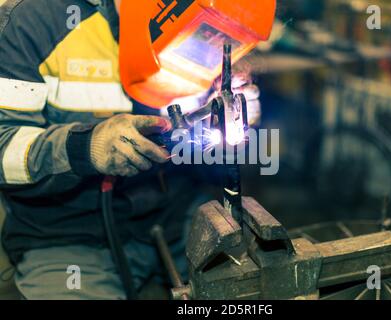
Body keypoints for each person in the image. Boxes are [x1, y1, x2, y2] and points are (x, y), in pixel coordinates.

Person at [0, 0, 259, 299]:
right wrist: (85, 148)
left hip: (179, 217)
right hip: (68, 235)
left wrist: (237, 113)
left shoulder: (209, 16)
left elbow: (215, 146)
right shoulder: (33, 20)